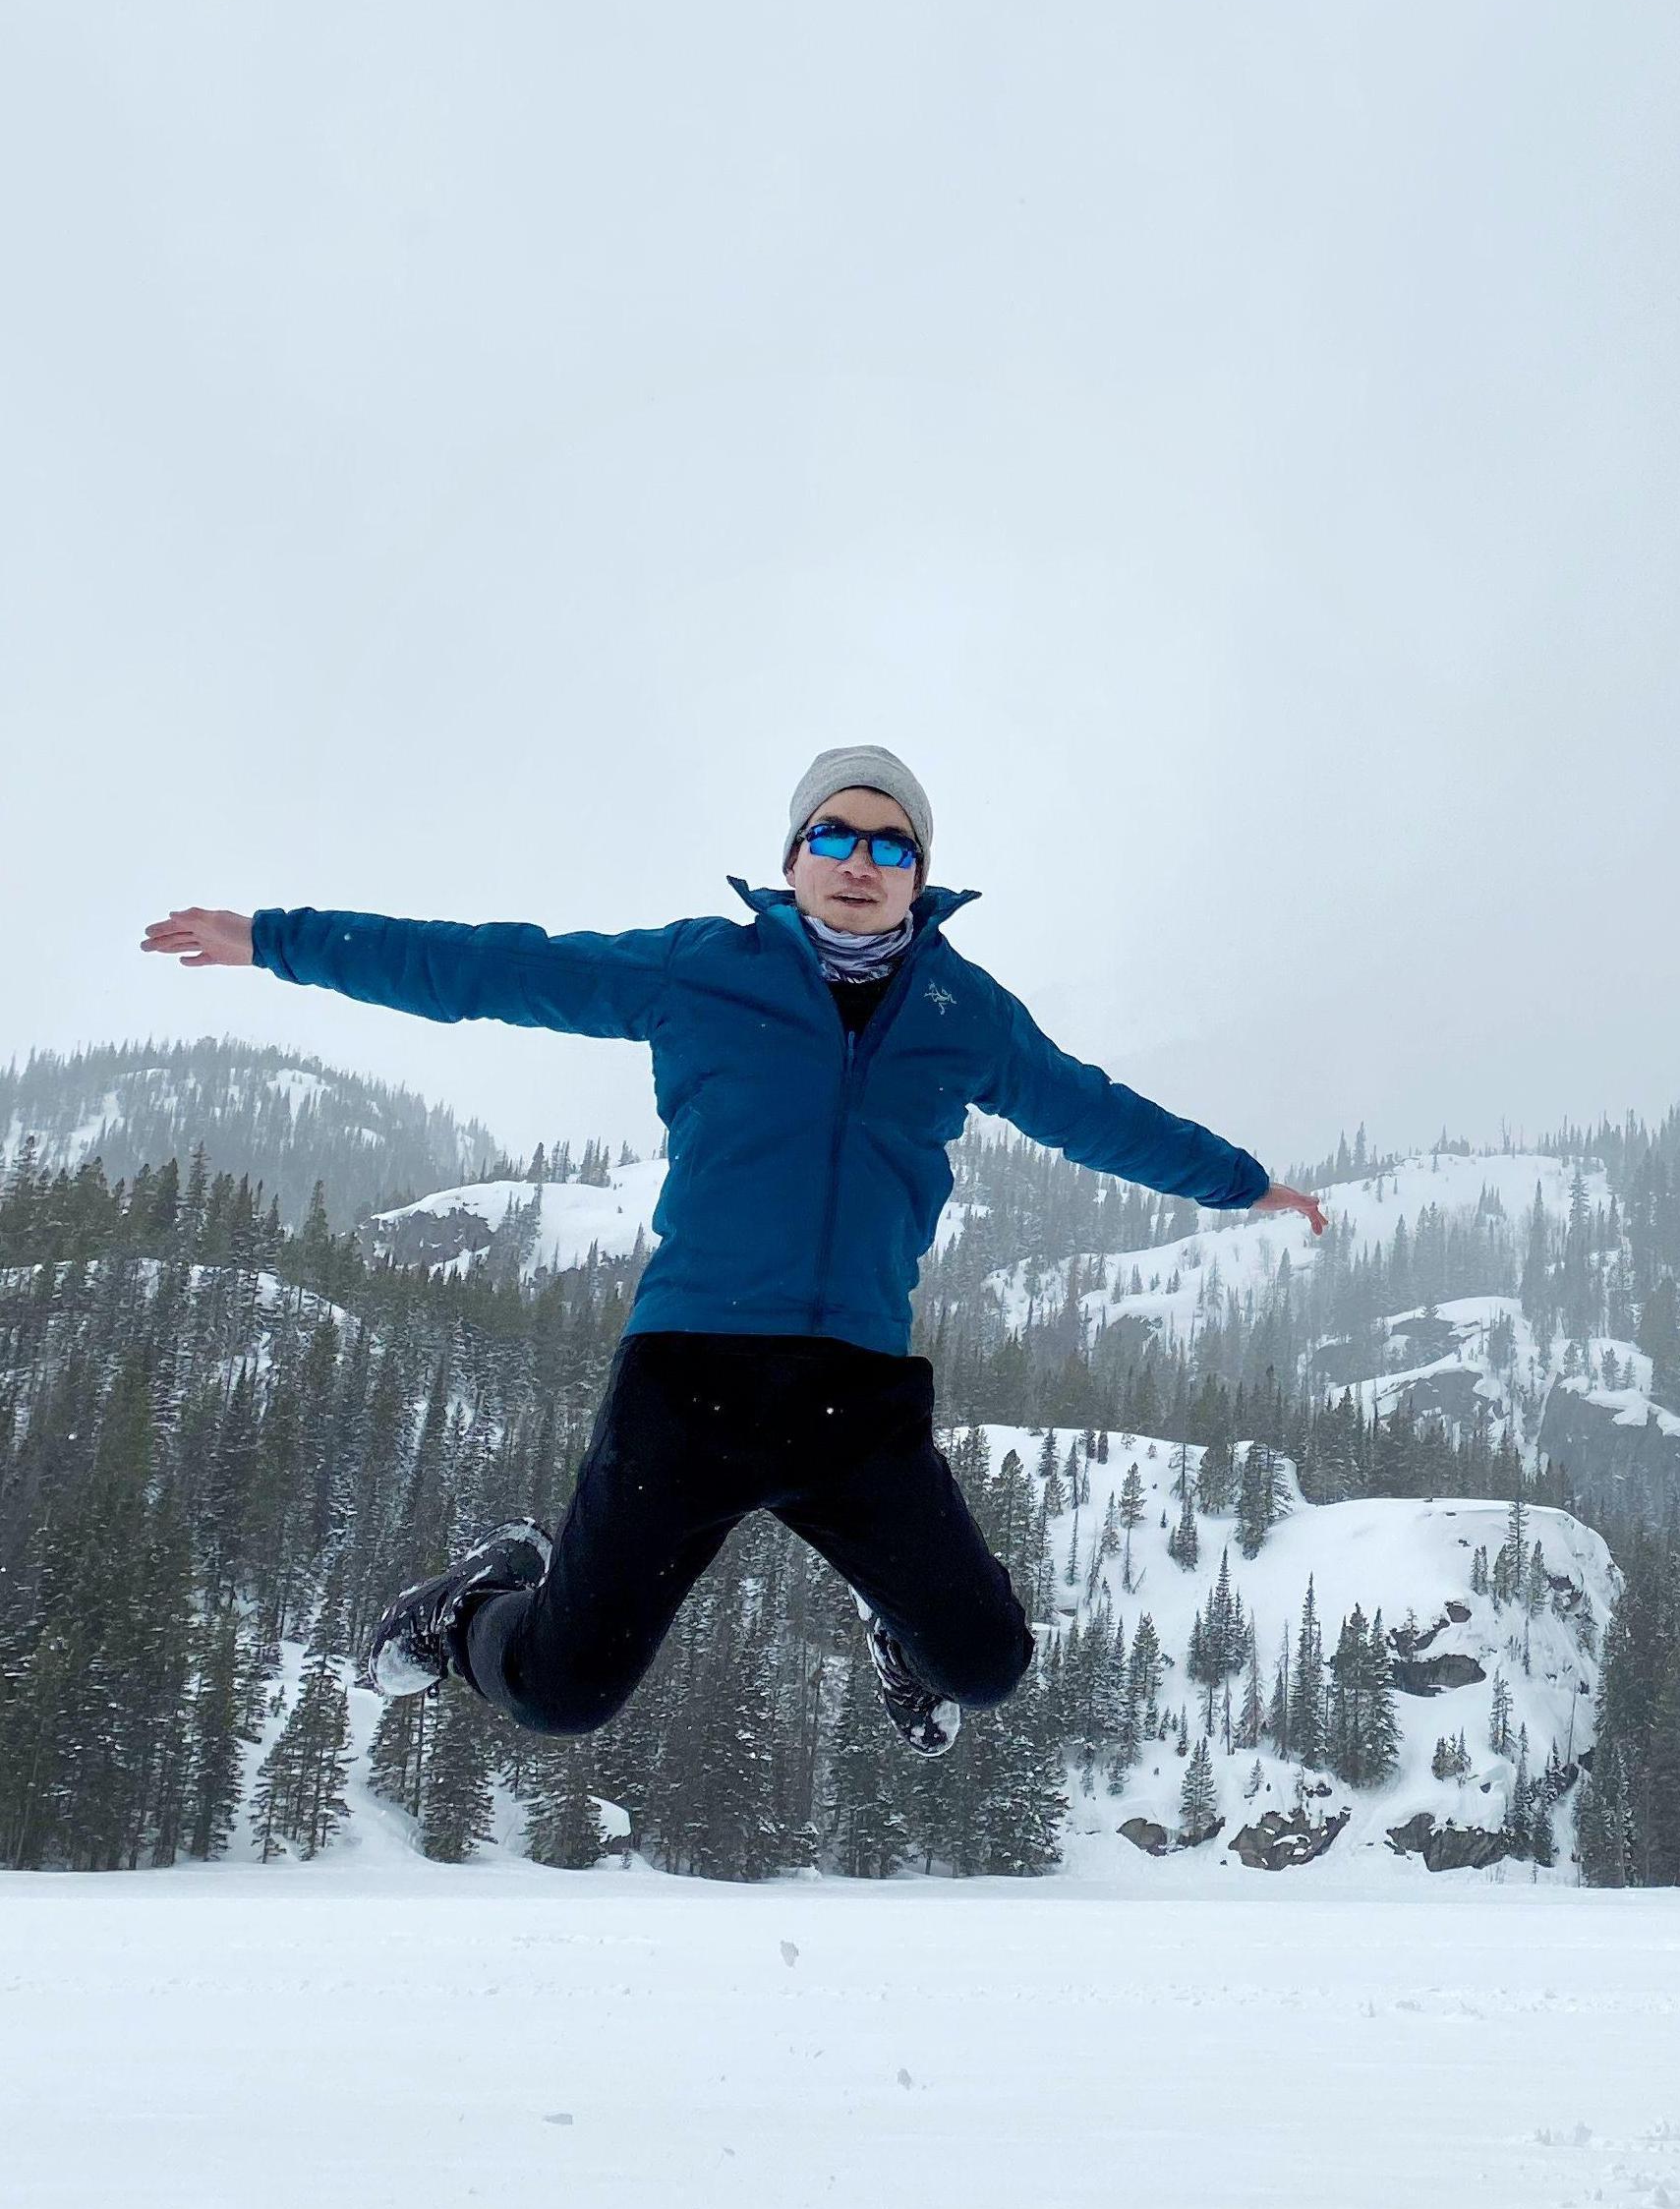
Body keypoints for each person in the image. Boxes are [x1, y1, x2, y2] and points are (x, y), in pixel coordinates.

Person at [144, 743, 1325, 1759]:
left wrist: (1243, 1183)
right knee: (561, 1696)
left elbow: (1099, 1114)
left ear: (922, 872)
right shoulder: (698, 971)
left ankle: (895, 1627)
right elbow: (490, 967)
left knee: (985, 1665)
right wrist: (275, 940)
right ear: (793, 858)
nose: (861, 862)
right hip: (690, 1388)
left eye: (891, 844)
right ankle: (466, 1614)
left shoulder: (968, 1018)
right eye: (836, 835)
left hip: (856, 1404)